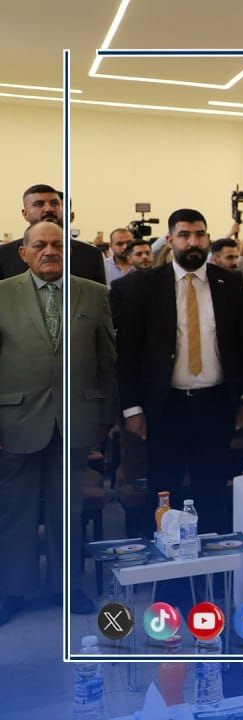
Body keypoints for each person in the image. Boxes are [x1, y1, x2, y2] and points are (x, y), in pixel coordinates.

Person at [116, 209, 243, 536]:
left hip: (216, 403)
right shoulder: (145, 285)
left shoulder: (229, 283)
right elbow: (128, 352)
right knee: (165, 487)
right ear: (170, 240)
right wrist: (132, 408)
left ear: (208, 238)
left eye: (199, 235)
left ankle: (212, 557)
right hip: (165, 406)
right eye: (184, 235)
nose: (193, 242)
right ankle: (169, 561)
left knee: (212, 487)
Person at [0, 222, 116, 625]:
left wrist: (105, 417)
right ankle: (12, 590)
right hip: (15, 420)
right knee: (15, 511)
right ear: (24, 252)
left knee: (68, 508)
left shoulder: (94, 293)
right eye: (40, 245)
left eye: (57, 244)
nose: (50, 251)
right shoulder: (2, 293)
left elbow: (107, 360)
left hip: (76, 419)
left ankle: (66, 586)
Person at [0, 184, 106, 285]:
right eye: (39, 204)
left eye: (54, 203)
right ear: (25, 213)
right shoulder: (4, 254)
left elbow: (98, 296)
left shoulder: (91, 255)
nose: (49, 209)